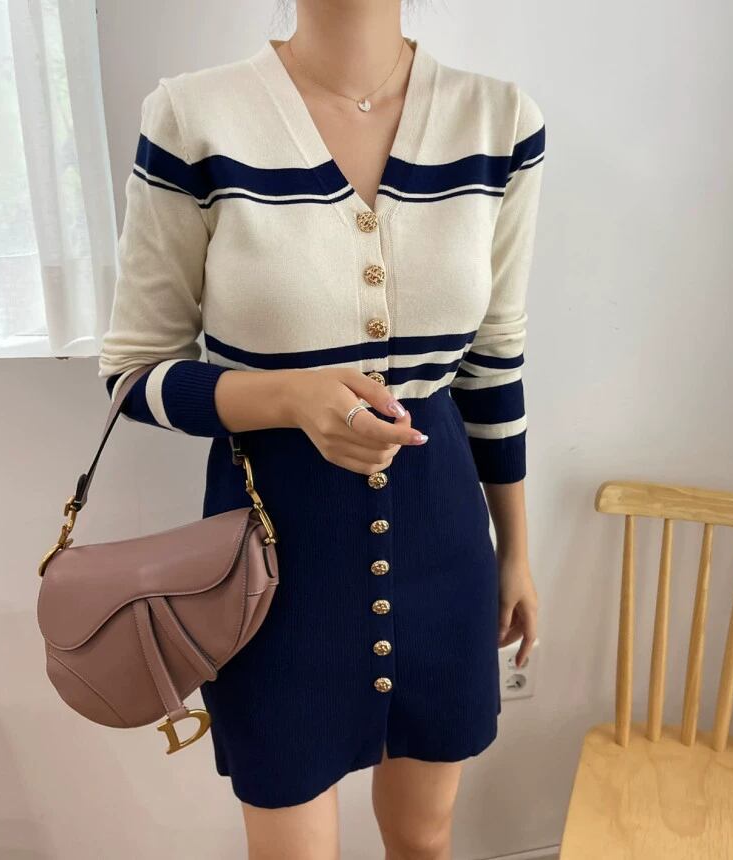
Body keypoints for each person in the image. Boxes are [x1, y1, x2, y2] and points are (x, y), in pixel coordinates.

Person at [98, 1, 545, 857]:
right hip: (272, 563)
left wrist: (516, 550)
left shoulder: (499, 121)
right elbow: (134, 376)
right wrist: (289, 400)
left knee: (426, 837)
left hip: (444, 540)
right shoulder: (195, 117)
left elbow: (494, 363)